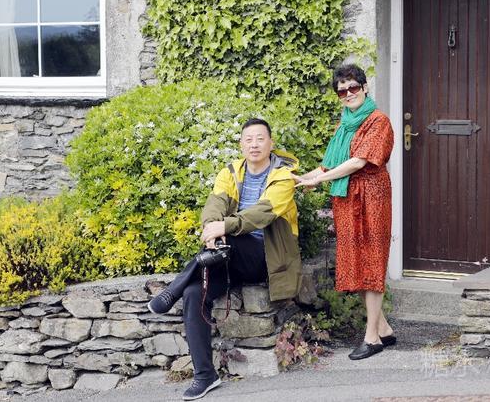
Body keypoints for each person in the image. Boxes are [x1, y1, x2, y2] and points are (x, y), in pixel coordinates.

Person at [147, 118, 301, 400]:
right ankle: (205, 375)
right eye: (248, 139)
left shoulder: (283, 176)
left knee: (231, 236)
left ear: (271, 143)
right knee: (195, 293)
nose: (254, 144)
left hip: (266, 258)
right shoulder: (230, 172)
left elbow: (262, 214)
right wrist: (211, 227)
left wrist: (224, 227)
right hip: (229, 256)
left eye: (260, 139)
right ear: (241, 144)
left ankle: (172, 289)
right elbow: (215, 203)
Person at [294, 63, 395, 361]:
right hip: (347, 201)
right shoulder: (344, 125)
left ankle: (372, 338)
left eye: (353, 87)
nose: (348, 94)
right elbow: (329, 164)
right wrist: (302, 178)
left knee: (372, 262)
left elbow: (358, 162)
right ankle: (384, 328)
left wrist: (320, 180)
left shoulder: (379, 121)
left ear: (364, 87)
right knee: (358, 263)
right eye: (342, 91)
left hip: (372, 199)